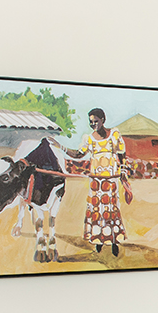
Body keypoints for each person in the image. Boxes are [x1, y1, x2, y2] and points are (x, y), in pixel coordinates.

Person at [65, 108, 130, 256]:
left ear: (103, 120)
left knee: (111, 211)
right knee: (97, 212)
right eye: (91, 122)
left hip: (110, 180)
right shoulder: (88, 139)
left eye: (96, 121)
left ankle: (113, 241)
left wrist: (124, 170)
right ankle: (99, 240)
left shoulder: (114, 134)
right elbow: (78, 154)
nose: (93, 124)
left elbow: (122, 154)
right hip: (96, 181)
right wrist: (61, 147)